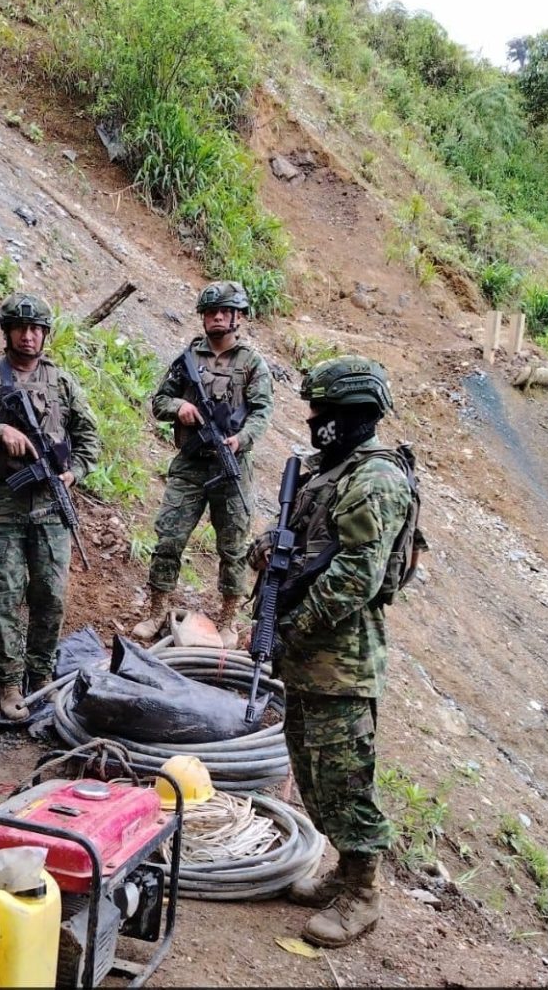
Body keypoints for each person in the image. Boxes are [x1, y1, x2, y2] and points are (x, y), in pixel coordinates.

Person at [247, 355, 412, 948]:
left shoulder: (375, 479)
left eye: (321, 410)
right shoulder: (329, 471)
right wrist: (268, 552)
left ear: (350, 414)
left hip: (341, 658)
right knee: (314, 773)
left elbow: (355, 579)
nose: (312, 419)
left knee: (344, 781)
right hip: (310, 656)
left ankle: (364, 892)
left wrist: (289, 627)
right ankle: (345, 874)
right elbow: (307, 546)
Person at [0, 293, 100, 721]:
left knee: (50, 596)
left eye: (36, 329)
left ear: (45, 334)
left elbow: (89, 439)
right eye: (20, 328)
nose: (28, 336)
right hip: (1, 509)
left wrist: (75, 473)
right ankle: (9, 683)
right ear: (7, 332)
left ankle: (42, 676)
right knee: (5, 598)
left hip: (51, 507)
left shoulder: (62, 382)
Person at [132, 281, 273, 645]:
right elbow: (160, 400)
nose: (217, 318)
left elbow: (261, 412)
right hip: (191, 463)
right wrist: (181, 407)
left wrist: (241, 439)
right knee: (169, 537)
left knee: (234, 546)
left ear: (238, 316)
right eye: (211, 312)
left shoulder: (251, 363)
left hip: (232, 465)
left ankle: (228, 621)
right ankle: (157, 611)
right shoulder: (187, 360)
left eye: (225, 311)